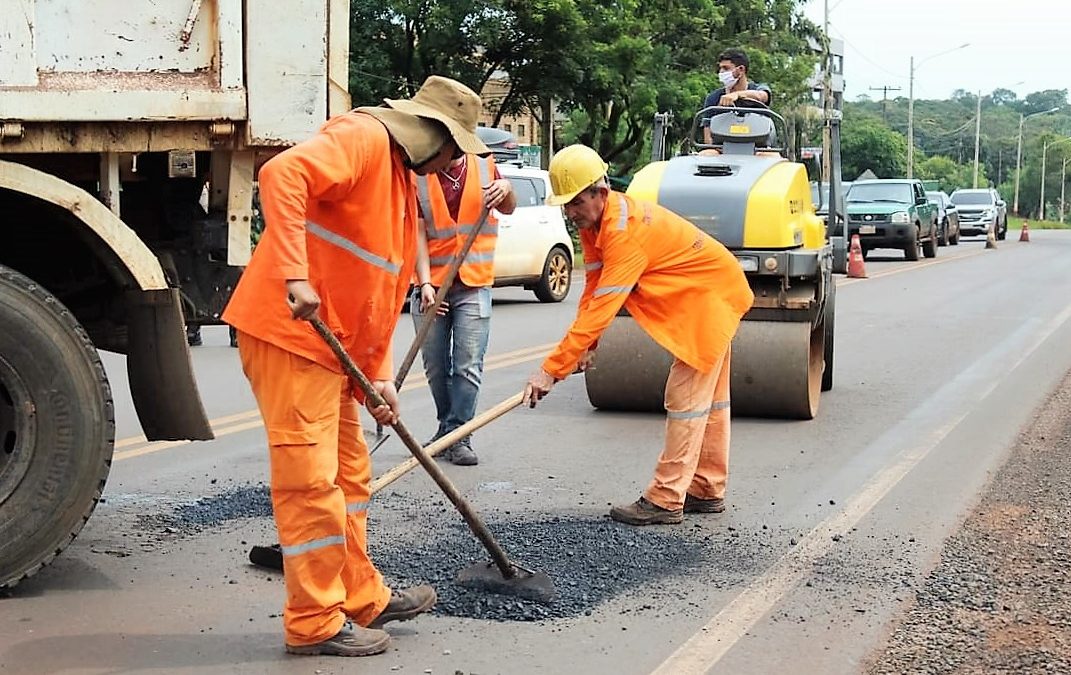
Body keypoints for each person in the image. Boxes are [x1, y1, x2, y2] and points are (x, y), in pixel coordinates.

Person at [223, 76, 490, 657]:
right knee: (312, 485)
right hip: (289, 337)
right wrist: (295, 274)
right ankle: (315, 621)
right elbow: (281, 175)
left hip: (331, 351)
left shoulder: (397, 181)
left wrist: (378, 379)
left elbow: (371, 292)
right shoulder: (363, 137)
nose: (452, 166)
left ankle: (357, 593)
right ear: (435, 136)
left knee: (350, 478)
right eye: (454, 153)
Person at [522, 145, 754, 526]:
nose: (569, 212)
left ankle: (665, 498)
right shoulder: (597, 226)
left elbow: (604, 308)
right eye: (565, 205)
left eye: (575, 203)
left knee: (687, 398)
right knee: (711, 402)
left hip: (709, 299)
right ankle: (706, 487)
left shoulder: (624, 233)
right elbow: (593, 290)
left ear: (600, 192)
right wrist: (586, 347)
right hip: (708, 293)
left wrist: (551, 370)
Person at [410, 150, 516, 465]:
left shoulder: (485, 168)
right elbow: (416, 233)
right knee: (435, 365)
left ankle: (458, 436)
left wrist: (507, 189)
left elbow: (508, 208)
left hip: (474, 282)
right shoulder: (420, 174)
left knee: (468, 365)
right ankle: (447, 429)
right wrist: (426, 283)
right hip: (431, 287)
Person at [701, 48, 772, 145]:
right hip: (722, 149)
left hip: (758, 149)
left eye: (726, 68)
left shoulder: (758, 88)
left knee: (773, 157)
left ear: (741, 70)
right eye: (720, 68)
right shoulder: (713, 98)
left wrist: (737, 95)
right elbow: (708, 137)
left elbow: (762, 96)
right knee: (707, 154)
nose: (721, 72)